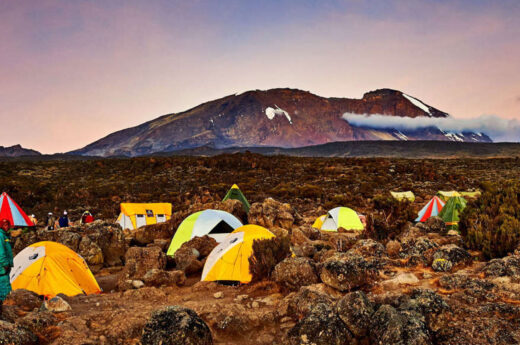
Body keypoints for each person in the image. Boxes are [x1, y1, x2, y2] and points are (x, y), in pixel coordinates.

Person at [0, 219, 13, 303]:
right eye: (5, 225)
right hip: (2, 268)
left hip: (4, 267)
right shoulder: (1, 235)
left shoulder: (5, 235)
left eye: (8, 225)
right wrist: (5, 264)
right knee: (5, 290)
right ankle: (5, 308)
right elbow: (1, 252)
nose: (7, 227)